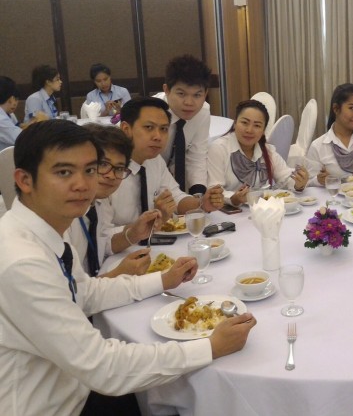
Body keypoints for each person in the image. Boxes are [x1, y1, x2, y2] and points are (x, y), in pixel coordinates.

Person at [0, 120, 256, 415]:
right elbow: (103, 367)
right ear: (25, 180)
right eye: (64, 172)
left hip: (73, 386)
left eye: (90, 170)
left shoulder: (46, 230)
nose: (83, 184)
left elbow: (84, 293)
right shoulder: (23, 262)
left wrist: (163, 280)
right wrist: (210, 346)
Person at [101, 97, 224, 247]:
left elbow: (176, 197)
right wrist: (136, 231)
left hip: (151, 247)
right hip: (118, 254)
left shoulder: (154, 160)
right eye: (149, 127)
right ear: (126, 129)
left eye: (164, 129)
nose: (158, 137)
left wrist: (202, 203)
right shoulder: (106, 172)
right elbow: (101, 238)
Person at [67, 124, 157, 277]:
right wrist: (118, 273)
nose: (111, 175)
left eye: (119, 168)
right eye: (103, 164)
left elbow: (103, 244)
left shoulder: (99, 202)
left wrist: (133, 233)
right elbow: (69, 288)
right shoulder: (65, 217)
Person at [208, 100, 309, 205]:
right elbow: (214, 190)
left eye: (257, 125)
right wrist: (233, 198)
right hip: (227, 211)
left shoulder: (267, 150)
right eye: (244, 123)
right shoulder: (219, 149)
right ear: (235, 123)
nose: (249, 130)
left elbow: (286, 178)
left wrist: (299, 183)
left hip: (262, 209)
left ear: (263, 130)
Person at [154, 55, 212, 195]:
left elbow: (197, 156)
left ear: (206, 93)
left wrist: (198, 194)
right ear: (167, 90)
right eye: (181, 94)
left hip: (175, 186)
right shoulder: (151, 112)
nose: (189, 103)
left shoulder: (203, 112)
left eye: (197, 95)